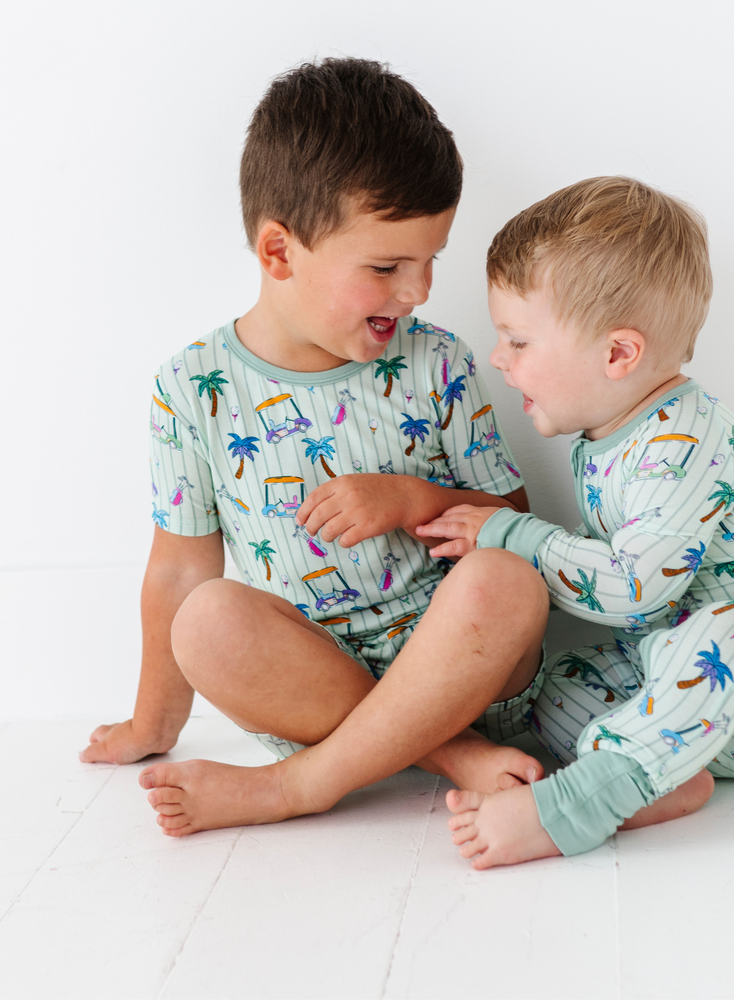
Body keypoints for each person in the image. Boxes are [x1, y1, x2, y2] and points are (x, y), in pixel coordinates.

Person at [81, 57, 553, 837]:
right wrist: (150, 723)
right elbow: (177, 566)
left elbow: (510, 523)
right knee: (203, 617)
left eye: (431, 260)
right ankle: (447, 755)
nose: (419, 290)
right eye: (386, 266)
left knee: (509, 581)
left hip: (461, 671)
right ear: (279, 253)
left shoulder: (438, 361)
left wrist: (413, 500)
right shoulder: (192, 387)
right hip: (307, 690)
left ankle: (296, 787)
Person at [419, 176, 734, 868]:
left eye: (517, 340)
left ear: (618, 355)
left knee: (723, 633)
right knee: (561, 690)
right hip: (697, 686)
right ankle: (659, 777)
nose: (498, 358)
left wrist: (510, 533)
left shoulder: (682, 439)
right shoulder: (606, 436)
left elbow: (636, 588)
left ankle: (580, 806)